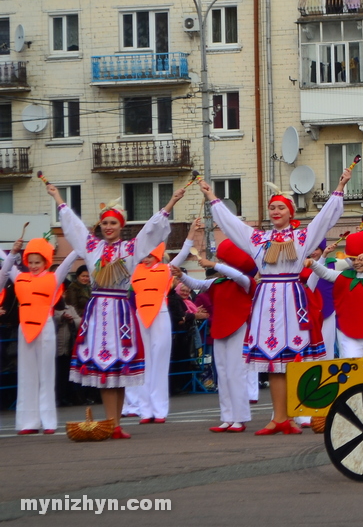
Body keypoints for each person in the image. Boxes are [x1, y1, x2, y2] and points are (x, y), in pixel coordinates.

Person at [197, 170, 351, 436]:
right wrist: (211, 195)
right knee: (273, 362)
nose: (276, 211)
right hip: (267, 302)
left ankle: (294, 416)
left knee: (294, 361)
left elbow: (324, 218)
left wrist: (340, 185)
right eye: (272, 207)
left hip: (292, 300)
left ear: (291, 212)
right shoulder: (258, 238)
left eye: (281, 207)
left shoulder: (302, 237)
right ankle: (279, 417)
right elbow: (232, 225)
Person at [47, 183, 185, 439]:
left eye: (114, 223)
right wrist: (58, 198)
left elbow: (151, 232)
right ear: (100, 226)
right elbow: (74, 227)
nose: (109, 227)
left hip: (120, 311)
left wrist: (171, 203)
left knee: (120, 372)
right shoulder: (92, 247)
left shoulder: (130, 249)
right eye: (105, 223)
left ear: (121, 226)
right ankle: (112, 422)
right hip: (99, 311)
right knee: (104, 369)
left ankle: (115, 423)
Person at [172, 239, 257, 433]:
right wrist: (181, 277)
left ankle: (240, 418)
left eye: (225, 262)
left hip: (238, 328)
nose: (222, 266)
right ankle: (227, 417)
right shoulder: (217, 282)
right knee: (223, 374)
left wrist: (214, 265)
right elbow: (197, 284)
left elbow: (236, 275)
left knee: (236, 373)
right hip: (220, 329)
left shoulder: (244, 282)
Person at [0, 238, 78, 434]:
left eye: (38, 262)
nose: (33, 266)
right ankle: (28, 422)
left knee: (46, 374)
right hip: (24, 329)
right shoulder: (20, 277)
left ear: (46, 262)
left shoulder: (53, 277)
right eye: (31, 262)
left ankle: (48, 421)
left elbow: (68, 262)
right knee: (26, 376)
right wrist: (13, 252)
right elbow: (5, 267)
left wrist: (80, 244)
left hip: (45, 327)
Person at [128, 221, 197, 424]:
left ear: (157, 254)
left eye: (150, 255)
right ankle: (145, 410)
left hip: (160, 314)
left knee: (160, 362)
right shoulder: (135, 270)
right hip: (141, 317)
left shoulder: (166, 269)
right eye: (144, 255)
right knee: (144, 363)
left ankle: (159, 410)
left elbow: (184, 253)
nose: (146, 259)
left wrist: (192, 232)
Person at [308, 230, 363, 358]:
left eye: (361, 259)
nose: (357, 262)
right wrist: (313, 264)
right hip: (350, 332)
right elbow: (326, 273)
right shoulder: (345, 276)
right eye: (353, 259)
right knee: (351, 368)